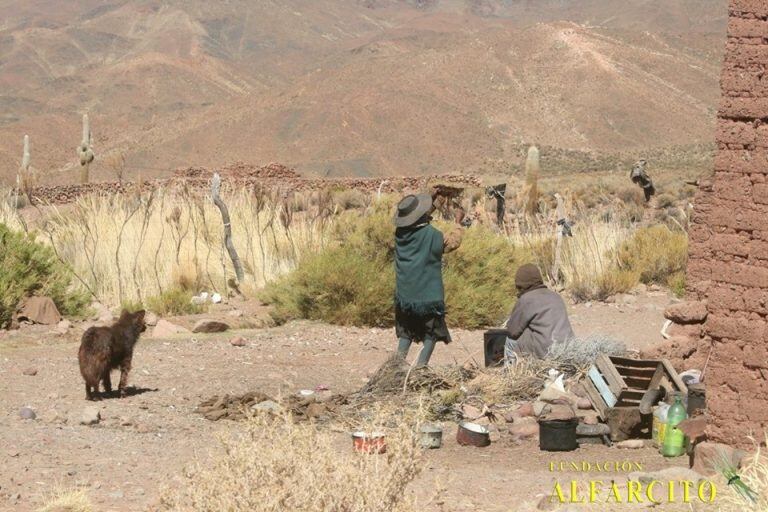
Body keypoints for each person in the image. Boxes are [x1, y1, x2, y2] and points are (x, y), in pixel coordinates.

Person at [393, 193, 460, 367]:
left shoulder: (400, 234)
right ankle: (420, 367)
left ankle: (396, 366)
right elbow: (453, 243)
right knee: (432, 333)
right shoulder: (433, 235)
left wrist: (435, 205)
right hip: (428, 298)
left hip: (405, 296)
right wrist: (458, 223)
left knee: (406, 332)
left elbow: (417, 221)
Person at [505, 263, 574, 362]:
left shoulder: (526, 300)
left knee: (510, 339)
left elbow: (512, 331)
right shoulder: (556, 296)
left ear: (521, 285)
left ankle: (509, 370)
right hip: (569, 348)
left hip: (547, 352)